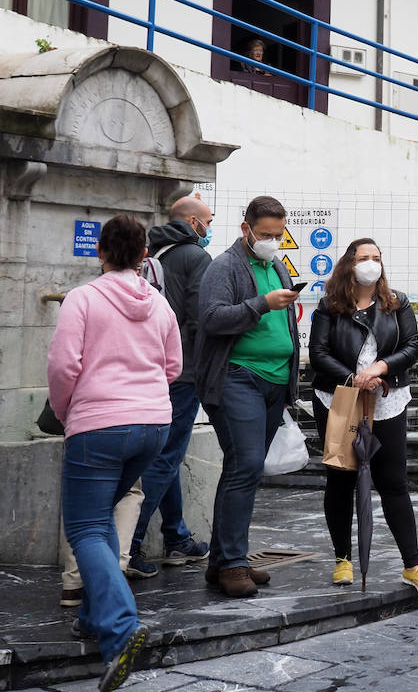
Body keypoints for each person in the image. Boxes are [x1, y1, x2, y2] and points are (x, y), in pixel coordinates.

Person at [47, 214, 180, 692]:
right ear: (146, 256)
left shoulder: (83, 298)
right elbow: (173, 366)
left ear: (99, 252)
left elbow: (64, 365)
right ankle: (92, 617)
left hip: (96, 425)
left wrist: (69, 413)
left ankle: (122, 629)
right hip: (152, 426)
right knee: (100, 515)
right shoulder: (160, 305)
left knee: (83, 526)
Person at [308, 238, 418, 597]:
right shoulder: (329, 306)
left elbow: (412, 346)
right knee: (340, 479)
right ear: (349, 263)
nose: (371, 263)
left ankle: (413, 565)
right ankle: (342, 559)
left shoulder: (396, 302)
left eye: (376, 258)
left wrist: (380, 368)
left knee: (393, 481)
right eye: (364, 258)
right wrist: (354, 378)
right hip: (340, 398)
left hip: (387, 400)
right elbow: (317, 353)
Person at [195, 195, 301, 598]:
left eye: (279, 234)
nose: (273, 242)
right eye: (266, 234)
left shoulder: (276, 266)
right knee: (247, 465)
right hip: (237, 378)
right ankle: (234, 564)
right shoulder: (223, 267)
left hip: (274, 382)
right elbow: (211, 318)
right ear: (246, 229)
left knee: (242, 469)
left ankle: (222, 560)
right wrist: (261, 304)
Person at [126, 196, 214, 579]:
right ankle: (130, 542)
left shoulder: (152, 251)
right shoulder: (196, 258)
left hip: (151, 367)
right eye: (207, 222)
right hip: (185, 369)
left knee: (168, 453)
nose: (209, 229)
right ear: (193, 222)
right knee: (165, 456)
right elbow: (201, 318)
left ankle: (176, 536)